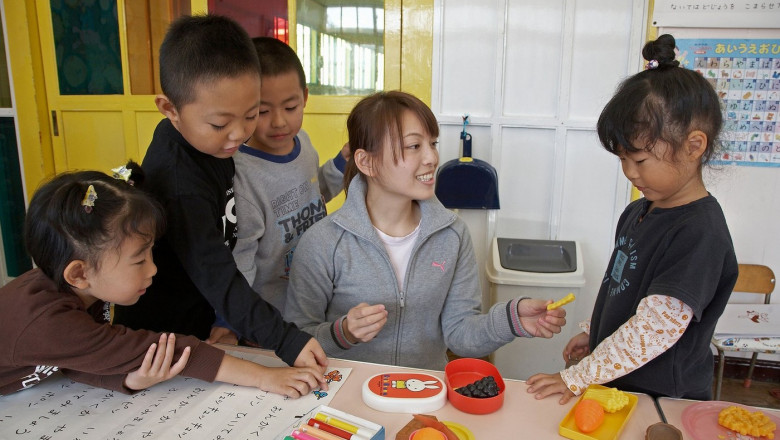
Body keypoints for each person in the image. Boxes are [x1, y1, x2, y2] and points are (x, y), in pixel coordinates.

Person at [283, 91, 567, 370]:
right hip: (344, 397)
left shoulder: (453, 235)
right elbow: (296, 339)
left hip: (424, 395)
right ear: (366, 161)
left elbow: (460, 333)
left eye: (432, 143)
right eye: (414, 146)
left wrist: (512, 320)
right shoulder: (323, 242)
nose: (432, 157)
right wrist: (343, 332)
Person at [526, 34, 738, 402]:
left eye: (639, 160)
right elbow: (622, 289)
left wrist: (579, 376)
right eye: (622, 159)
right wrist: (596, 335)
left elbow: (655, 327)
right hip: (621, 386)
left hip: (663, 398)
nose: (630, 172)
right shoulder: (638, 212)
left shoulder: (700, 233)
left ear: (694, 146)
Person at [111, 15, 328, 374]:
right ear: (170, 109)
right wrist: (285, 339)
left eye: (249, 115)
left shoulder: (210, 145)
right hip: (167, 336)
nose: (238, 135)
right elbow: (215, 271)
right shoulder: (179, 183)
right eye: (220, 123)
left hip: (207, 315)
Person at [0, 168, 325, 398]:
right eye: (139, 260)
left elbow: (78, 358)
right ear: (79, 274)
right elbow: (165, 350)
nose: (153, 270)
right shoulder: (46, 322)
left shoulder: (81, 288)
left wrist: (132, 379)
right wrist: (266, 376)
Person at [209, 37, 348, 345]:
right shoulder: (243, 175)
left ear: (305, 97)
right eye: (261, 111)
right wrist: (231, 321)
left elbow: (315, 194)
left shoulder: (305, 144)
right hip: (269, 316)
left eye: (290, 106)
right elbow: (240, 257)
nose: (279, 122)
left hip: (314, 296)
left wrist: (342, 162)